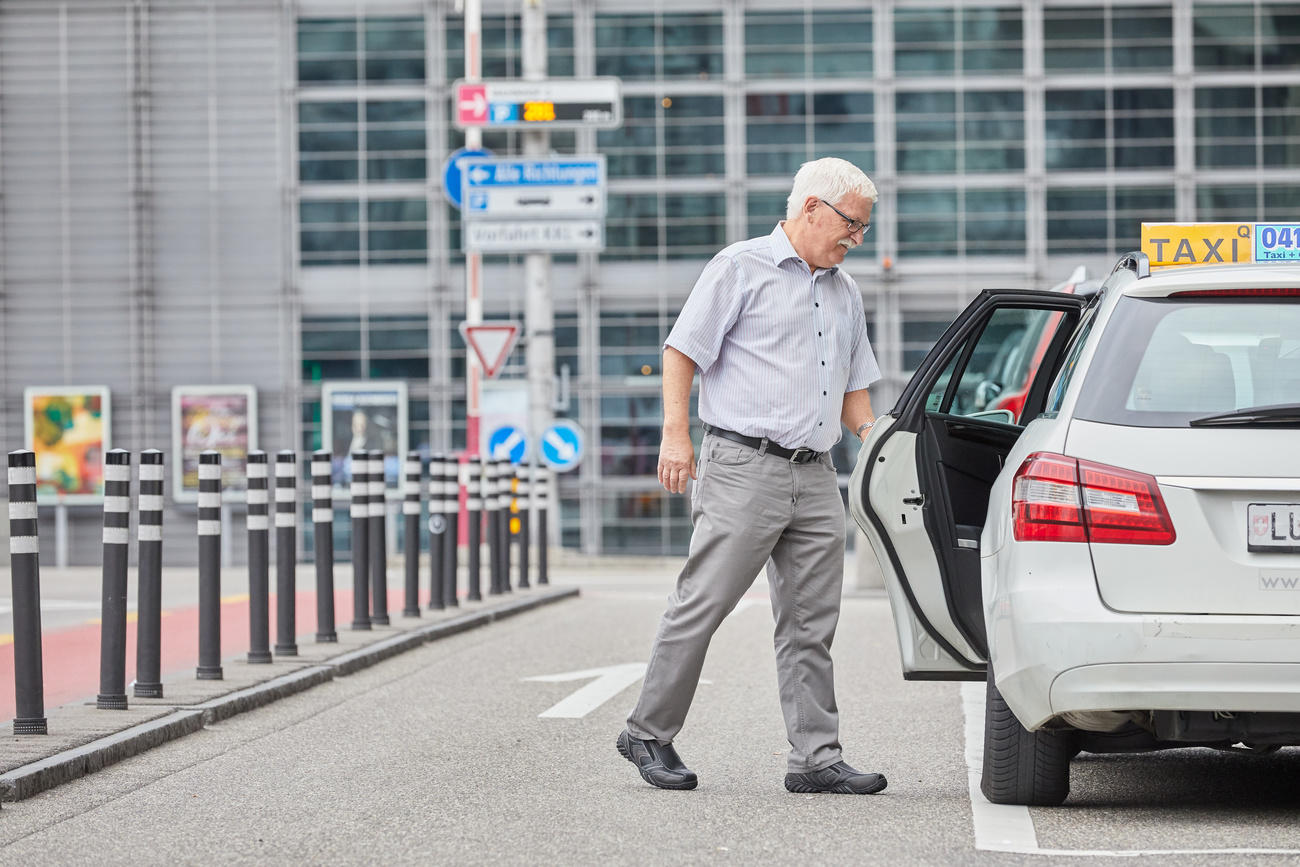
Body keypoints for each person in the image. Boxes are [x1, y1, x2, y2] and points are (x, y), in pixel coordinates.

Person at [617, 157, 885, 795]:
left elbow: (854, 392)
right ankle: (647, 732)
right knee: (704, 603)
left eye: (866, 229)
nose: (858, 239)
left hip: (817, 475)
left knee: (811, 623)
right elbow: (683, 350)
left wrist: (881, 443)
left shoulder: (845, 293)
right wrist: (676, 435)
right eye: (852, 224)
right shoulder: (739, 267)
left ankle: (816, 758)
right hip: (742, 466)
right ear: (811, 208)